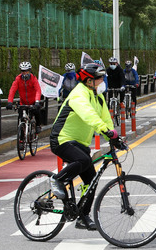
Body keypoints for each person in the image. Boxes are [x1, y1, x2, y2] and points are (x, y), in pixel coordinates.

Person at [49, 63, 119, 230]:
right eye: (99, 78)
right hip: (62, 139)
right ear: (89, 81)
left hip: (80, 143)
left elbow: (105, 119)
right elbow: (89, 115)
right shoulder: (78, 94)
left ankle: (82, 216)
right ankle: (57, 179)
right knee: (82, 160)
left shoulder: (98, 96)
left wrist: (114, 136)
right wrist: (104, 130)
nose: (102, 80)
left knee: (91, 180)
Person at [7, 61, 42, 133]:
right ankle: (21, 137)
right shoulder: (18, 79)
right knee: (20, 118)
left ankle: (38, 125)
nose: (25, 73)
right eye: (23, 71)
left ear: (29, 71)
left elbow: (38, 90)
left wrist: (37, 101)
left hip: (33, 102)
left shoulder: (33, 78)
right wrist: (10, 102)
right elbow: (12, 90)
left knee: (37, 112)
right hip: (23, 102)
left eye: (26, 71)